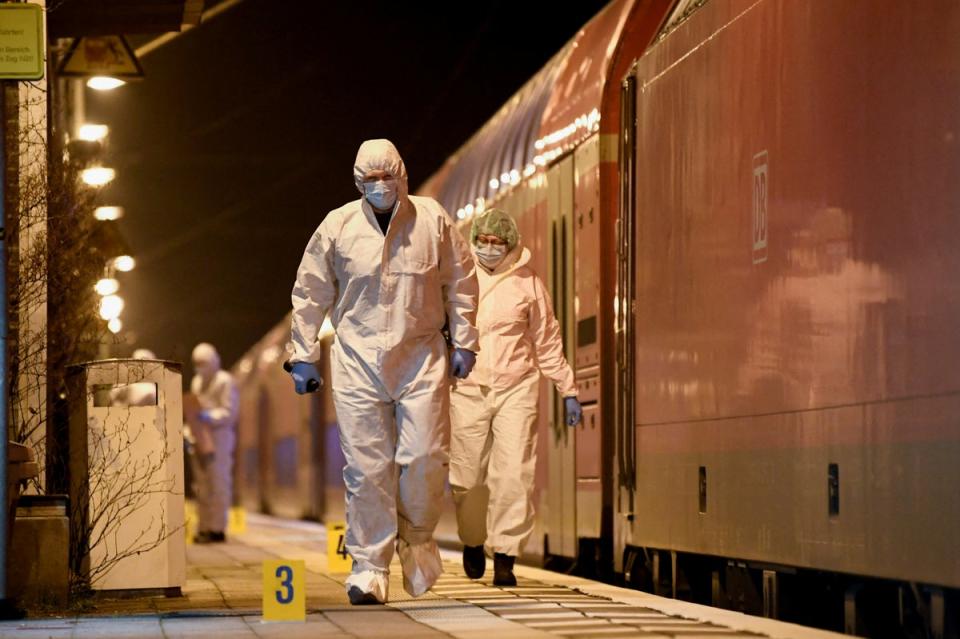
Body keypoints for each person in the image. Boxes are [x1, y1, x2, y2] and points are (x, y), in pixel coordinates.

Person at [287, 139, 479, 604]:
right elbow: (311, 291)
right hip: (357, 362)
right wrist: (303, 355)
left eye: (386, 176)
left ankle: (417, 541)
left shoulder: (432, 221)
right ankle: (370, 568)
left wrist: (466, 342)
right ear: (357, 182)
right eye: (370, 179)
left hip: (421, 357)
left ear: (403, 175)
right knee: (367, 469)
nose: (379, 186)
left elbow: (462, 281)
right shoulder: (337, 227)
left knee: (425, 456)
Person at [449, 208, 582, 586]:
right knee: (467, 475)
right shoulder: (458, 279)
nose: (489, 248)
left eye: (497, 243)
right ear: (473, 242)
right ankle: (473, 540)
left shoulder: (528, 284)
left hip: (517, 386)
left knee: (513, 473)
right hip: (468, 386)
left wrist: (567, 388)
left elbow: (547, 340)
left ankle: (505, 555)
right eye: (483, 241)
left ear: (510, 244)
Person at [188, 342, 238, 544]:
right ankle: (204, 526)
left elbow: (230, 412)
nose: (200, 367)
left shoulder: (225, 381)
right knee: (201, 487)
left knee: (218, 484)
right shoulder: (196, 382)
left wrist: (207, 416)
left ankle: (217, 528)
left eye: (203, 363)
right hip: (200, 439)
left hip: (219, 439)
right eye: (197, 363)